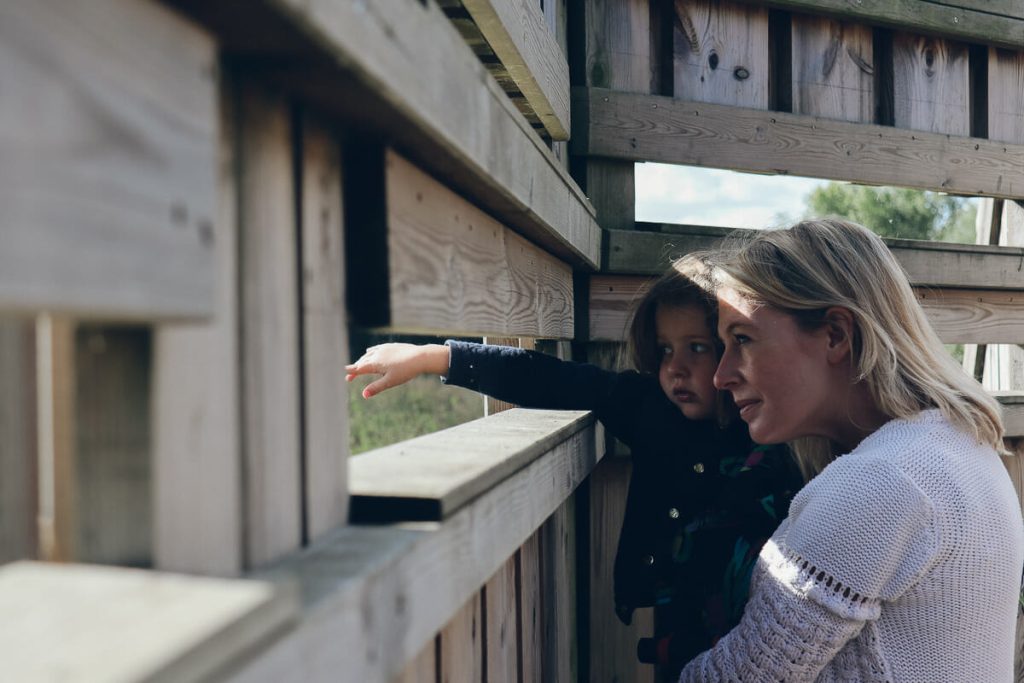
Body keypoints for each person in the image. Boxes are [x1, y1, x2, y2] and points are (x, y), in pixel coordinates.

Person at [346, 262, 803, 680]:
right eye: (664, 350)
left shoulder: (773, 430)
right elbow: (547, 376)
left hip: (761, 629)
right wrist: (433, 357)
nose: (674, 368)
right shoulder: (647, 407)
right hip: (676, 625)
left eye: (697, 348)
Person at [674, 218, 1024, 682]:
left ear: (836, 334)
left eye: (742, 340)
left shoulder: (881, 481)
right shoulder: (959, 444)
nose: (721, 375)